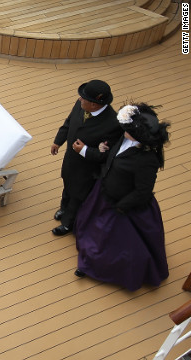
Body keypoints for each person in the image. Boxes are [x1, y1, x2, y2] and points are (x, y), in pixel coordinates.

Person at [73, 102, 170, 291]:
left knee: (117, 245)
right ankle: (89, 259)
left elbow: (143, 191)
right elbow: (113, 158)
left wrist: (122, 207)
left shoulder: (147, 161)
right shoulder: (123, 139)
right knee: (95, 229)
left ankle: (95, 266)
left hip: (124, 207)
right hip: (105, 193)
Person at [50, 80, 123, 236]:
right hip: (71, 161)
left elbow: (106, 156)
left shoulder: (113, 124)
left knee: (78, 195)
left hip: (87, 170)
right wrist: (58, 141)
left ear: (94, 105)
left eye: (83, 98)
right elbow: (68, 123)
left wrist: (84, 150)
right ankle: (64, 208)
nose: (79, 99)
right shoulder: (81, 105)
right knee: (67, 185)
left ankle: (68, 223)